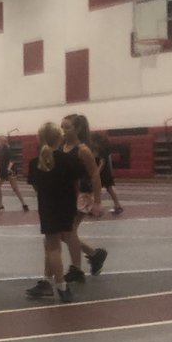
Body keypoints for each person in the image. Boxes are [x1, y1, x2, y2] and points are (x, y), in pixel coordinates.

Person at [25, 122, 85, 303]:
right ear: (60, 138)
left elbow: (36, 187)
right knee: (55, 244)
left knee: (52, 248)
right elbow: (77, 184)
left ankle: (61, 286)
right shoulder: (70, 160)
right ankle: (48, 281)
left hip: (48, 207)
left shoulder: (35, 163)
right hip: (66, 206)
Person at [61, 113, 106, 282]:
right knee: (63, 235)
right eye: (62, 127)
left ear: (78, 129)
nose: (63, 131)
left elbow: (95, 175)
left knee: (69, 231)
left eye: (67, 127)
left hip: (82, 194)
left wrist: (98, 202)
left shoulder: (83, 150)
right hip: (65, 194)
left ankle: (76, 268)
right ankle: (94, 255)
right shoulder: (61, 146)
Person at [0, 135, 30, 212]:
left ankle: (24, 204)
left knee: (15, 188)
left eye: (1, 141)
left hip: (10, 170)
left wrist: (8, 168)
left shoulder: (8, 149)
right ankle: (0, 205)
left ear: (4, 141)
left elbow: (11, 160)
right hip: (2, 170)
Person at [90, 132, 125, 215]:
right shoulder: (95, 149)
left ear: (95, 141)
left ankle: (96, 208)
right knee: (109, 189)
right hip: (105, 173)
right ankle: (117, 205)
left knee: (96, 190)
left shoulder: (101, 150)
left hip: (103, 173)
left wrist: (97, 172)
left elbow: (102, 162)